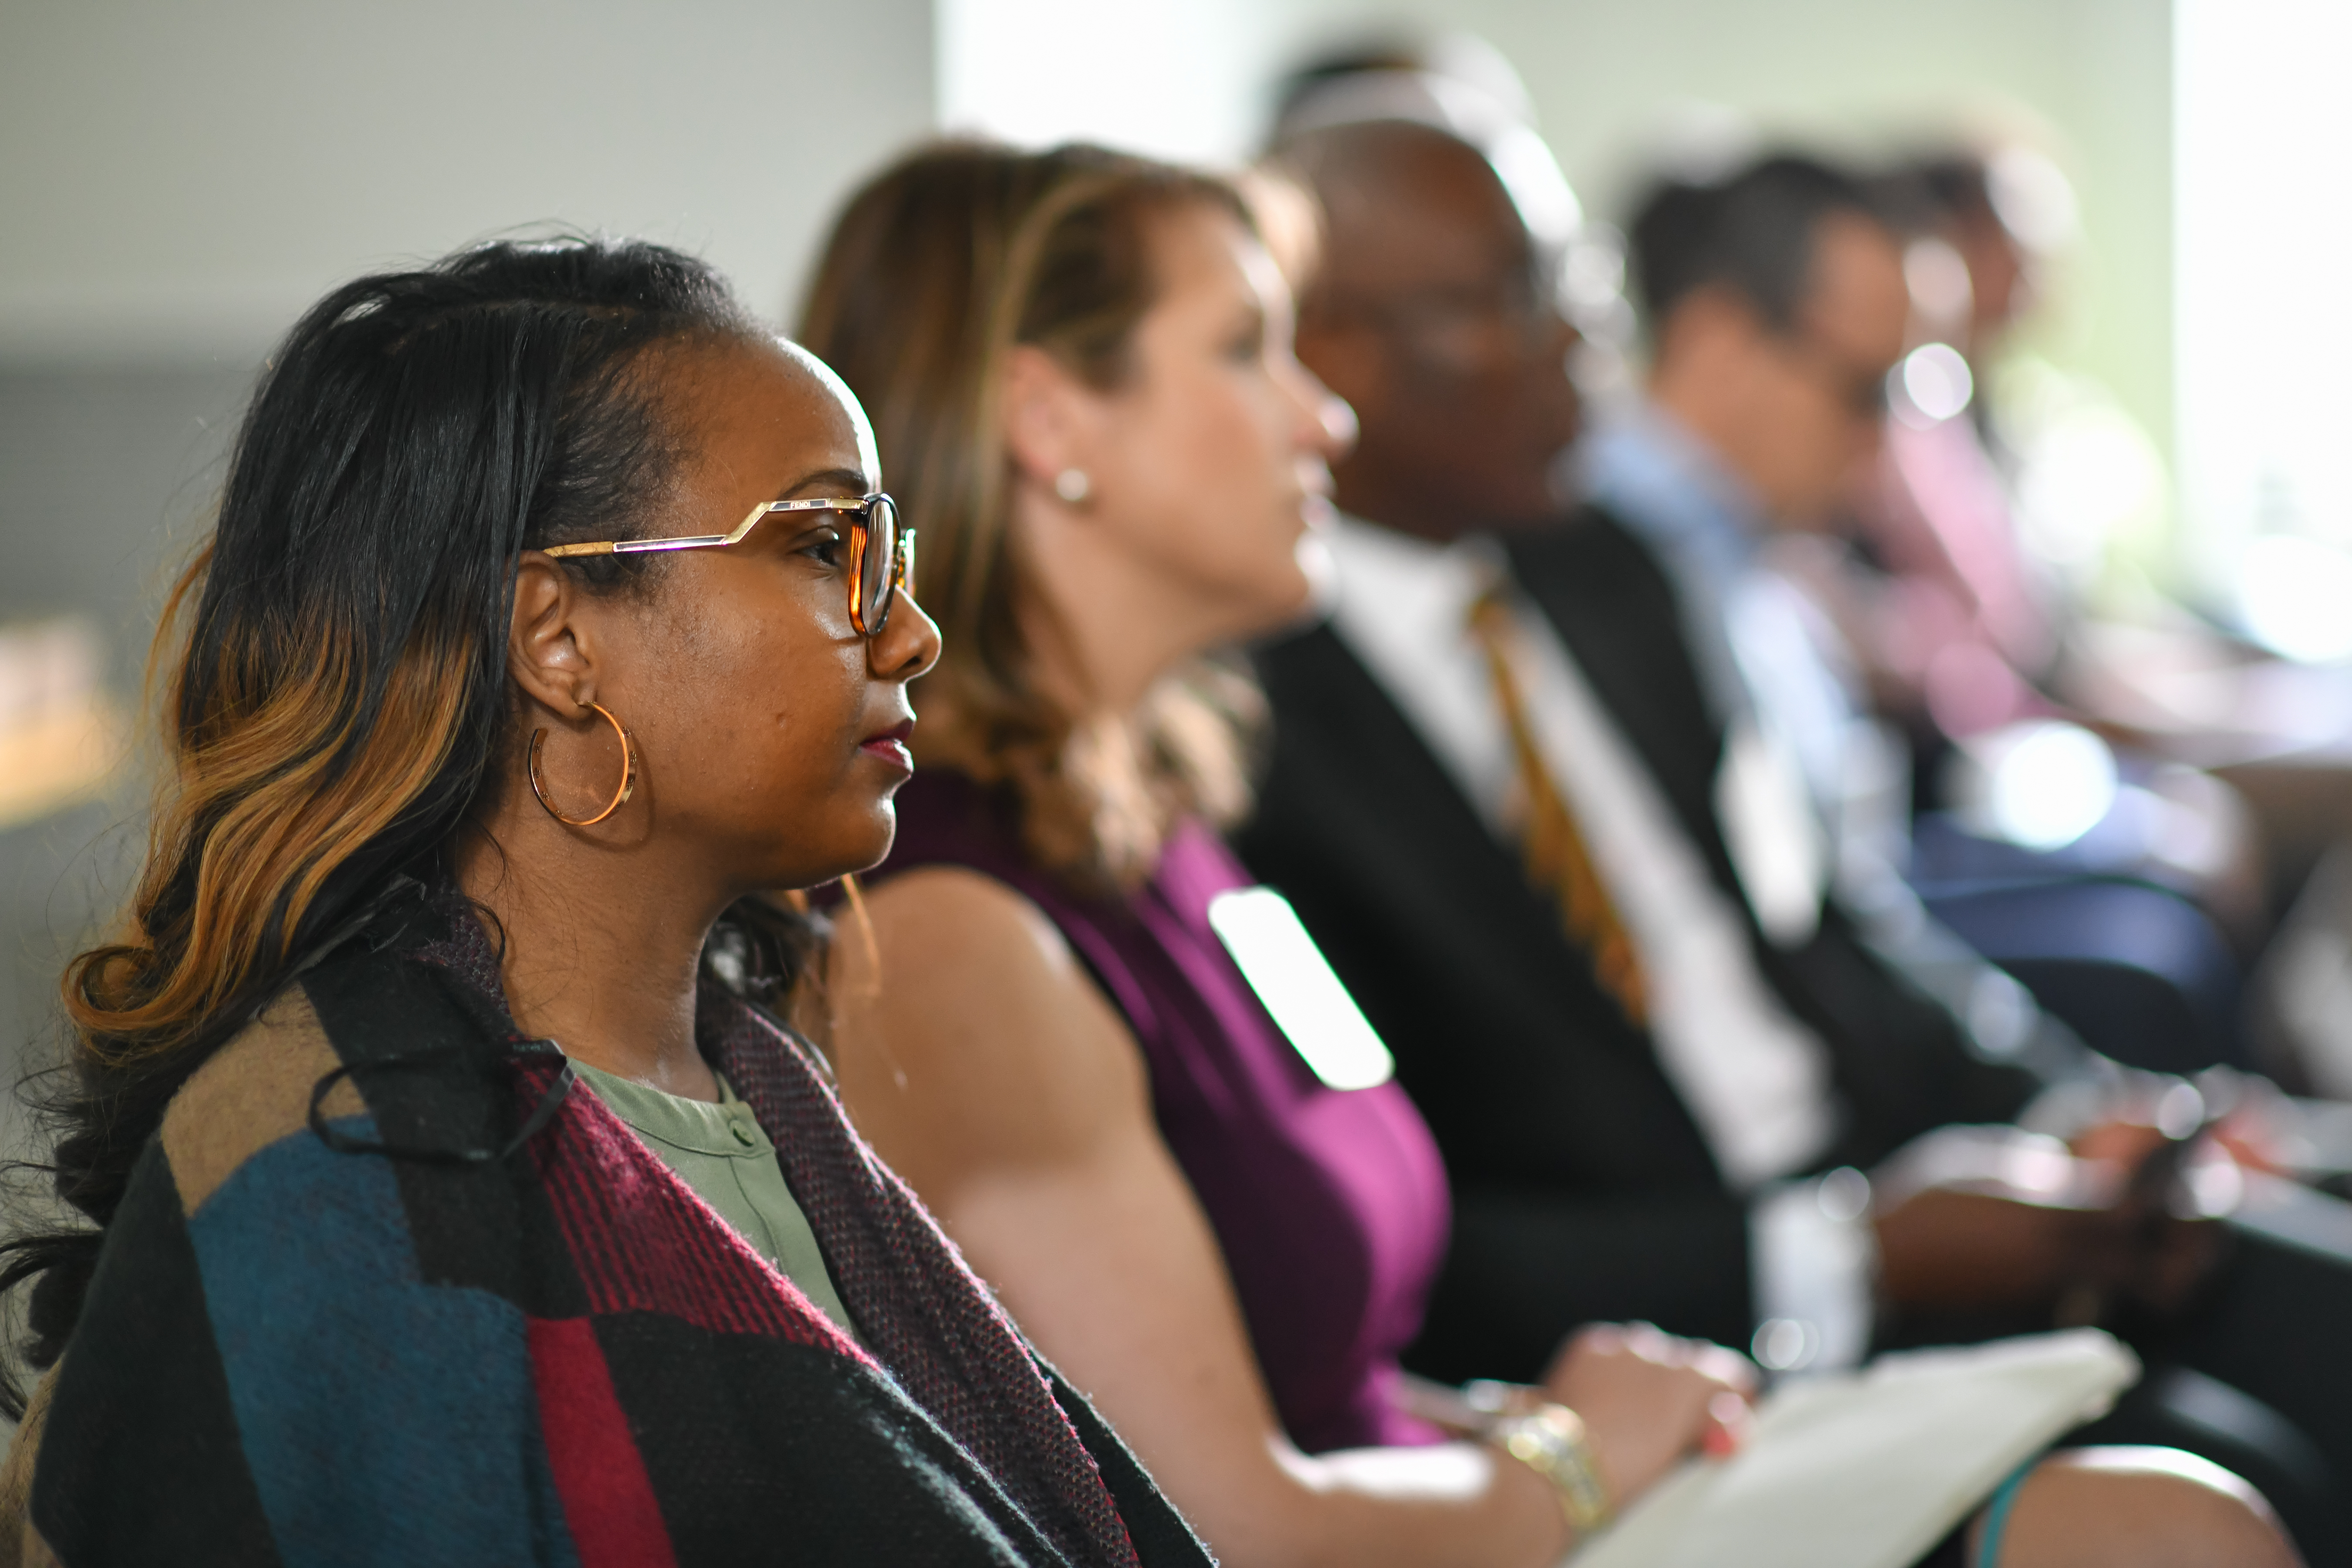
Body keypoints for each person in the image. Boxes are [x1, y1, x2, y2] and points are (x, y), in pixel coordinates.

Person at [796, 140, 2298, 1568]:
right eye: (1250, 350)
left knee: (2206, 1466)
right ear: (1052, 422)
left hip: (1485, 1459)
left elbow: (1337, 1364)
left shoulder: (1162, 820)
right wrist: (1568, 1456)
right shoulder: (961, 923)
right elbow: (1234, 1528)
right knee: (2175, 1525)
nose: (1324, 416)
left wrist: (1543, 1425)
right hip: (1440, 1521)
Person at [1238, 73, 2352, 1551]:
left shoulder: (1607, 569)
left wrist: (2076, 1118)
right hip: (1668, 1341)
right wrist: (1847, 1255)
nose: (1584, 333)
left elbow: (1823, 936)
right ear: (1326, 352)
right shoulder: (1253, 727)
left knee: (2319, 1303)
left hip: (1878, 1208)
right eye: (1507, 295)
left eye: (1572, 278)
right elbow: (1409, 1233)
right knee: (2231, 1469)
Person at [0, 236, 1210, 1567]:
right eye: (824, 546)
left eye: (886, 548)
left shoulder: (767, 1098)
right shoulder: (341, 1163)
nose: (910, 631)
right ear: (558, 640)